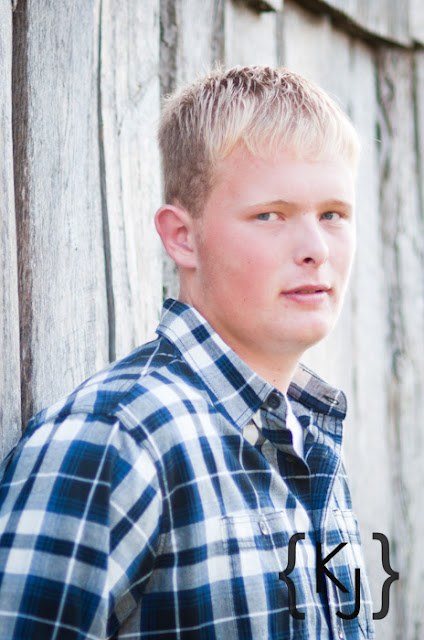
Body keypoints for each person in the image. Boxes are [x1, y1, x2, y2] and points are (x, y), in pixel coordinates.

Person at [0, 65, 374, 639]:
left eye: (332, 215)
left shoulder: (310, 441)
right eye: (270, 215)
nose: (315, 249)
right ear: (182, 237)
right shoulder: (118, 438)